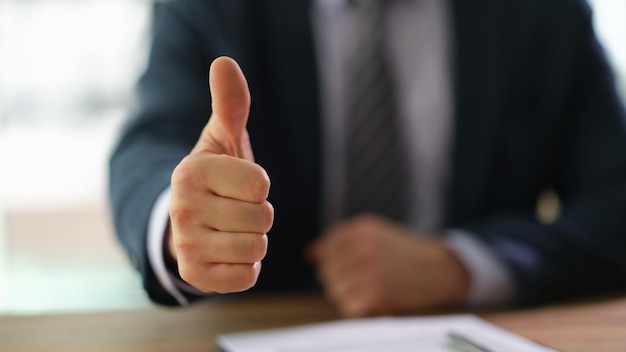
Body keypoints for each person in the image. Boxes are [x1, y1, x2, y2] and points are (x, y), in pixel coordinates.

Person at [109, 0, 626, 317]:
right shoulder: (211, 6)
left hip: (478, 325)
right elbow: (147, 147)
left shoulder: (547, 12)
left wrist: (464, 266)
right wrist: (183, 225)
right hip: (262, 324)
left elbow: (617, 203)